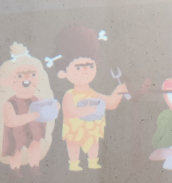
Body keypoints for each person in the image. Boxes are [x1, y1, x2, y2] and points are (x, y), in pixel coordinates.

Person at [52, 26, 127, 171]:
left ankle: (93, 161)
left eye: (89, 65)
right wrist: (89, 109)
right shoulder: (69, 94)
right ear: (63, 73)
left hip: (92, 130)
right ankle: (74, 163)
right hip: (74, 130)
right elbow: (69, 112)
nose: (85, 70)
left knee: (94, 143)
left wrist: (119, 92)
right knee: (73, 144)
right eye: (78, 67)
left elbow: (110, 103)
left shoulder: (93, 93)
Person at [0, 43, 57, 175]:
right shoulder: (10, 103)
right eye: (20, 75)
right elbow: (11, 121)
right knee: (15, 150)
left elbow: (50, 107)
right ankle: (15, 171)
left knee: (35, 147)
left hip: (34, 131)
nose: (27, 78)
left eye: (32, 74)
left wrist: (54, 107)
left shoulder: (38, 98)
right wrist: (33, 116)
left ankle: (35, 168)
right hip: (16, 133)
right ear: (7, 82)